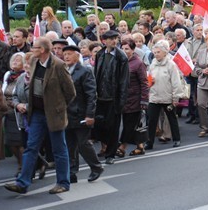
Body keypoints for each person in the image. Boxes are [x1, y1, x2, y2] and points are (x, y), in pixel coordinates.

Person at [5, 37, 76, 195]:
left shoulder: (58, 65)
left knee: (59, 149)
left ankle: (63, 182)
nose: (32, 49)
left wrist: (59, 108)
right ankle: (22, 183)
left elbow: (70, 92)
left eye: (35, 47)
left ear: (43, 50)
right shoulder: (35, 62)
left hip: (53, 114)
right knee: (31, 147)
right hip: (36, 113)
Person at [63, 45, 104, 183]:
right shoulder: (63, 71)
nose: (66, 56)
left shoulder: (84, 71)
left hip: (81, 114)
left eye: (69, 54)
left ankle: (96, 167)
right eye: (65, 54)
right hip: (67, 114)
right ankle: (72, 172)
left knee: (83, 144)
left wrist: (90, 115)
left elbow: (91, 95)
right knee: (70, 145)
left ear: (77, 55)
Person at [93, 30, 129, 165]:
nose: (114, 41)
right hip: (100, 97)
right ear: (104, 41)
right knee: (100, 125)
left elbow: (124, 81)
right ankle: (105, 147)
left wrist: (121, 101)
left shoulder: (121, 57)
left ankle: (111, 154)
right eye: (111, 39)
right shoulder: (100, 54)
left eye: (116, 38)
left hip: (114, 97)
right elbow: (97, 73)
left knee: (113, 127)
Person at [145, 40, 185, 149]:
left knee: (172, 119)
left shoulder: (171, 65)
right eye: (155, 52)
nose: (156, 54)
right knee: (152, 121)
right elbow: (148, 77)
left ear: (165, 52)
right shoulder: (153, 63)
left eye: (158, 52)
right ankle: (149, 142)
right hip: (154, 96)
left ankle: (176, 139)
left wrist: (176, 97)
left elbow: (176, 82)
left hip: (167, 97)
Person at [117, 38, 149, 157]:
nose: (124, 51)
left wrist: (144, 99)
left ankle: (122, 147)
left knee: (129, 124)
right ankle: (140, 146)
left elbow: (144, 83)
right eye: (123, 48)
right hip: (123, 98)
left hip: (135, 98)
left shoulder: (138, 63)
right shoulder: (120, 61)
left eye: (127, 49)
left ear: (133, 49)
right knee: (132, 124)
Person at [2, 53, 26, 174]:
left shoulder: (24, 76)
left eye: (18, 60)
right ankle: (40, 162)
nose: (14, 62)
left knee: (19, 142)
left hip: (18, 113)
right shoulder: (8, 75)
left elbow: (20, 95)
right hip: (7, 112)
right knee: (9, 142)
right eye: (13, 60)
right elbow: (3, 92)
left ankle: (22, 167)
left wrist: (13, 104)